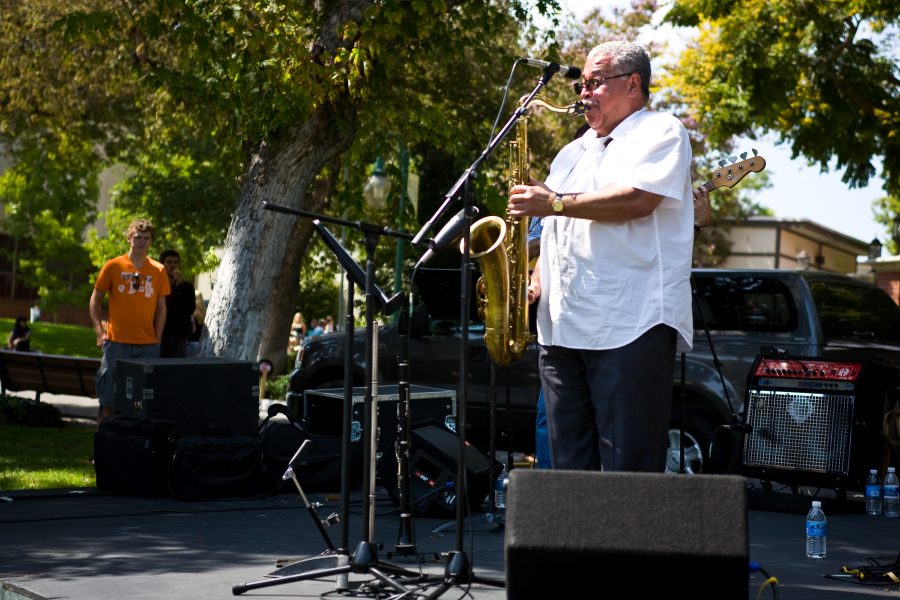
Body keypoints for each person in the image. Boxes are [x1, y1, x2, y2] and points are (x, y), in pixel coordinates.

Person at [508, 41, 694, 472]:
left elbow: (636, 200)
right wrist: (534, 277)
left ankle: (628, 544)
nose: (583, 93)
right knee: (569, 471)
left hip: (630, 324)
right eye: (581, 86)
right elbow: (558, 230)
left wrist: (552, 202)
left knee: (627, 473)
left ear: (632, 84)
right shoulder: (572, 152)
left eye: (594, 83)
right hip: (561, 329)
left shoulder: (661, 131)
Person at [89, 218, 171, 424]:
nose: (141, 241)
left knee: (143, 400)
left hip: (147, 345)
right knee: (109, 397)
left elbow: (162, 308)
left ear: (151, 241)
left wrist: (157, 338)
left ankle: (135, 445)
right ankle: (106, 442)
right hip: (116, 343)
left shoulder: (158, 270)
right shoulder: (113, 266)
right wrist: (100, 333)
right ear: (129, 239)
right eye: (137, 237)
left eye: (146, 238)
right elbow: (95, 300)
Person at [158, 249, 196, 358]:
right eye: (169, 262)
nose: (172, 265)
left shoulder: (187, 286)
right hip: (162, 336)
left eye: (176, 262)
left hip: (179, 337)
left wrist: (180, 287)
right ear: (162, 264)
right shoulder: (157, 285)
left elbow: (190, 309)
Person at [187, 292, 206, 357]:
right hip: (201, 345)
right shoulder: (204, 314)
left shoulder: (191, 314)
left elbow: (192, 330)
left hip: (190, 345)